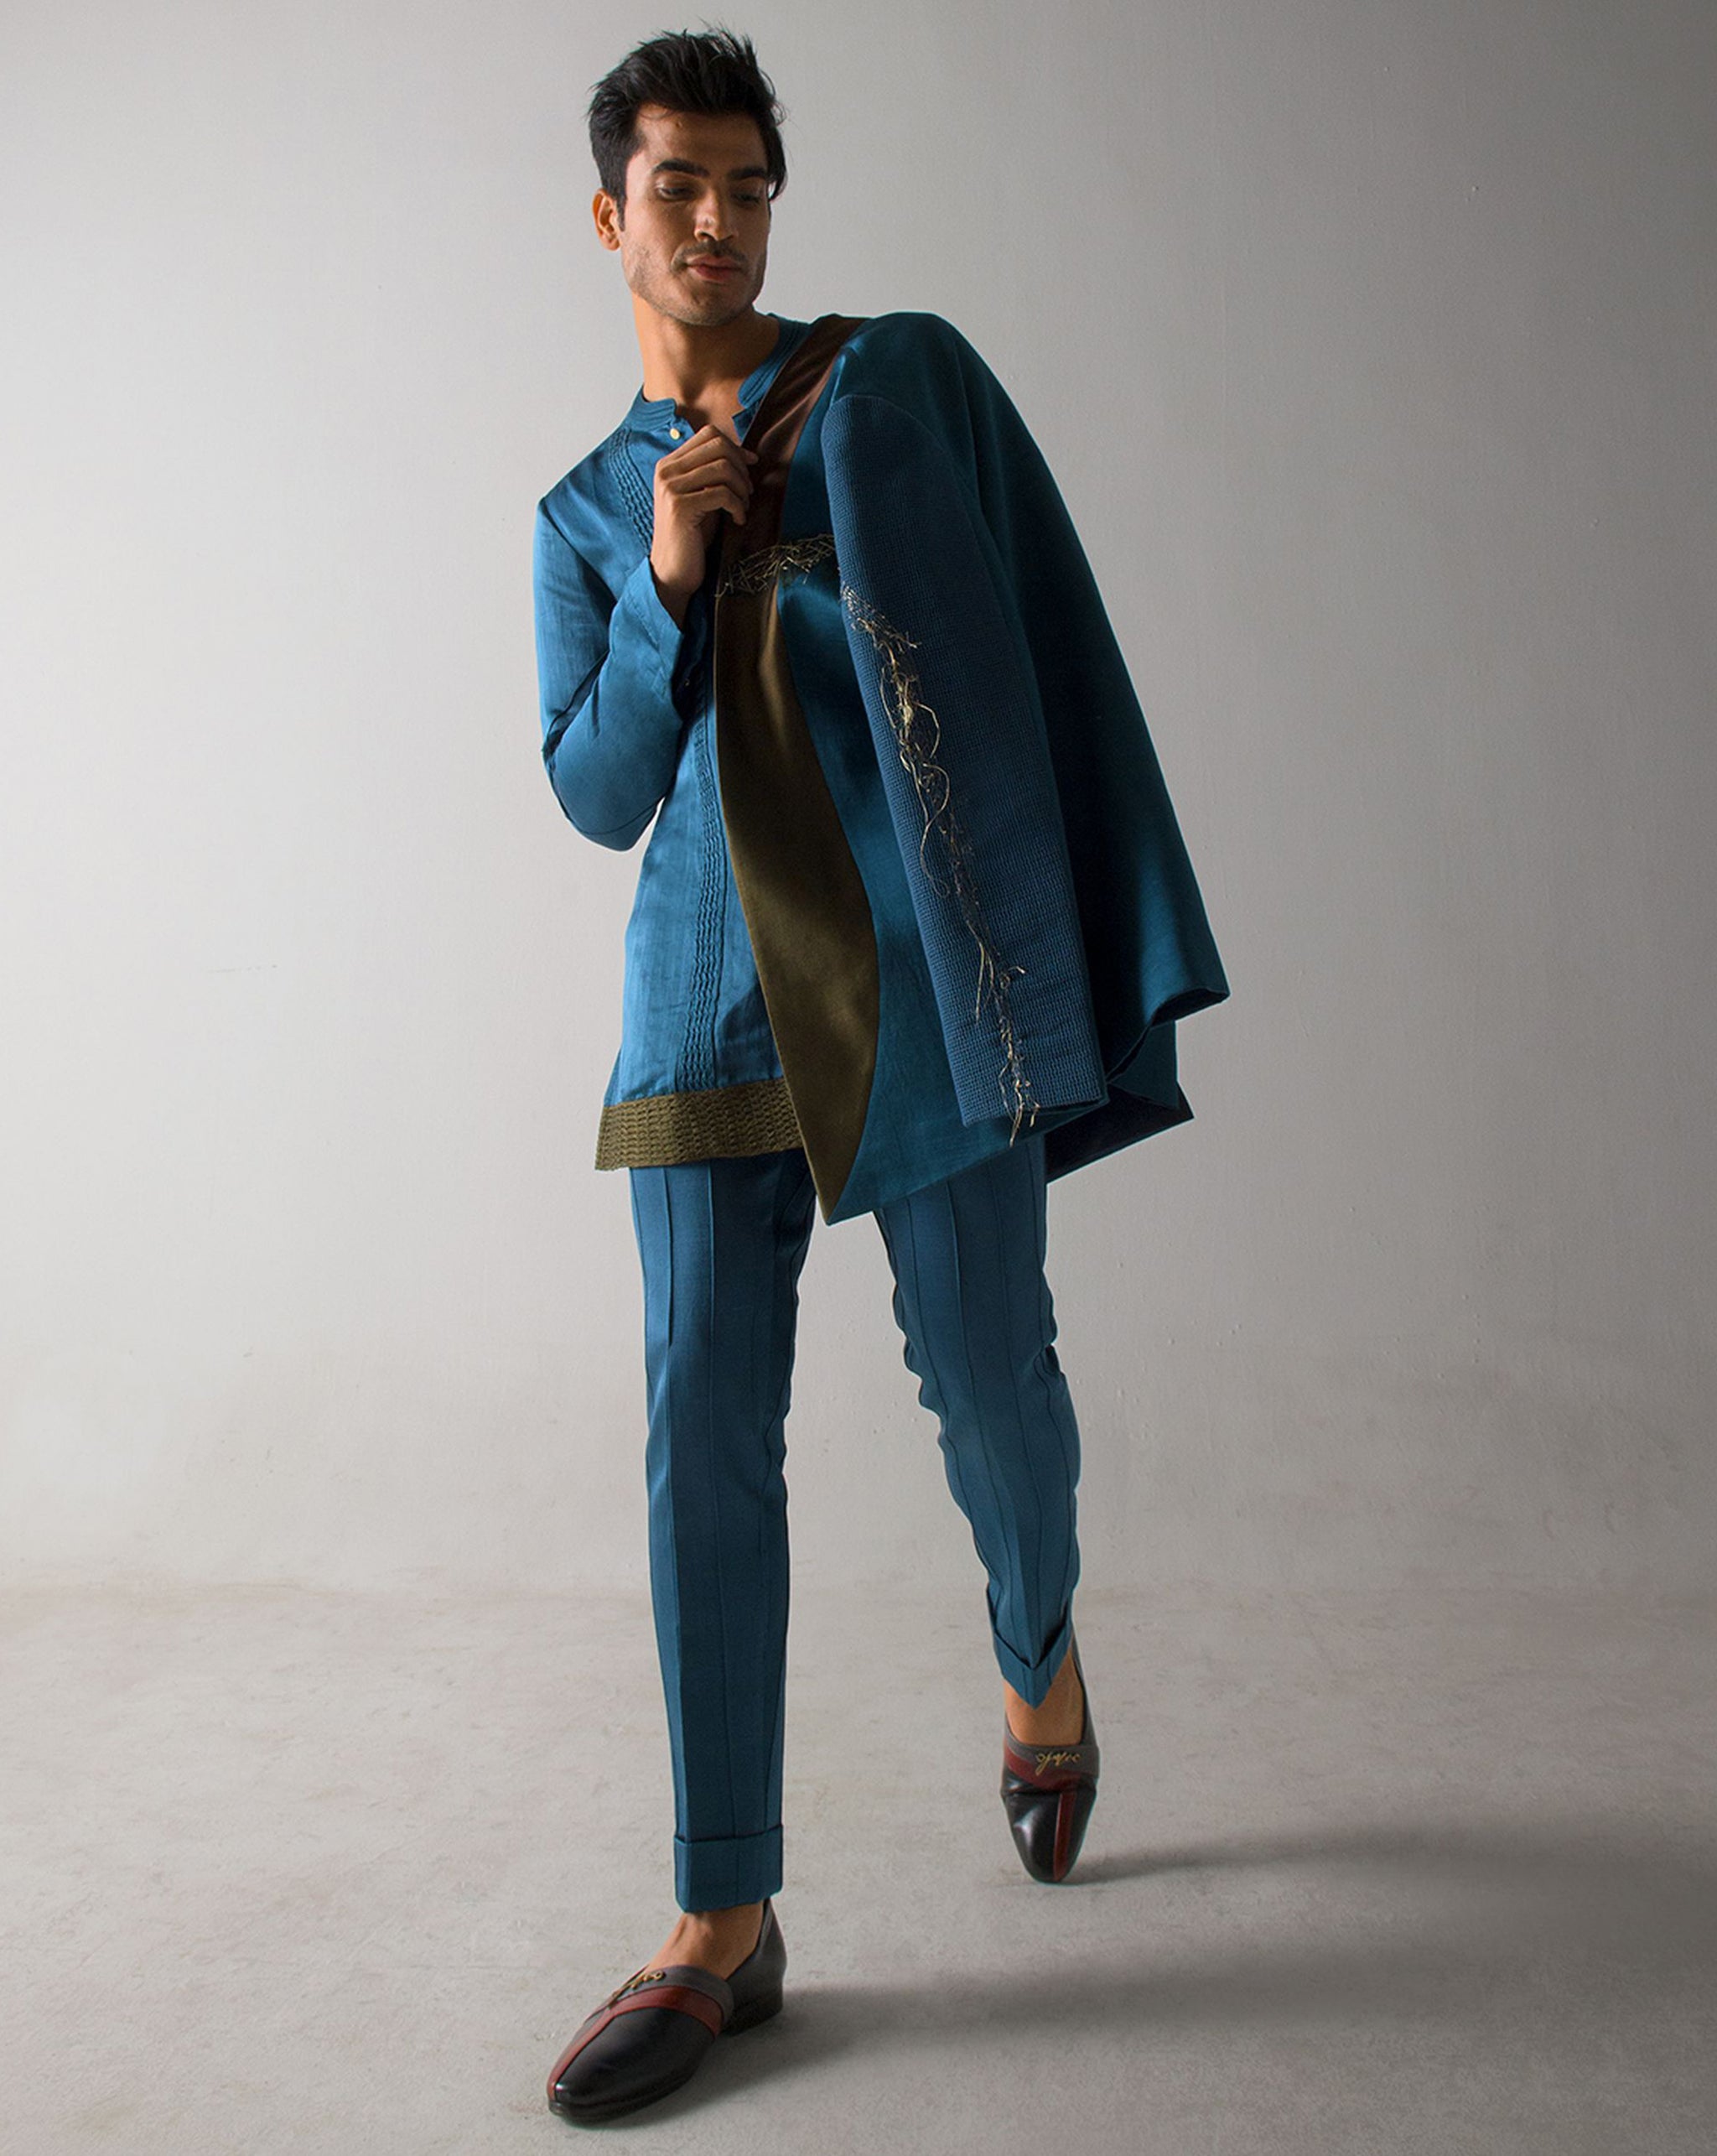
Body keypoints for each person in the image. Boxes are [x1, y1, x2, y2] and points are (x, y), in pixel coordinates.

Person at [531, 27, 1229, 2123]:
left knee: (988, 1371)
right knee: (698, 1429)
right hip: (702, 999)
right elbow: (595, 789)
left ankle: (1038, 1647)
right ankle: (722, 1913)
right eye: (677, 185)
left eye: (746, 185)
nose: (717, 220)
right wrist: (668, 584)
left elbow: (1020, 646)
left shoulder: (886, 385)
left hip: (924, 981)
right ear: (607, 214)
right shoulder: (583, 512)